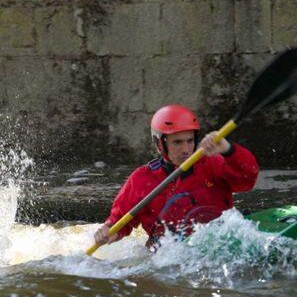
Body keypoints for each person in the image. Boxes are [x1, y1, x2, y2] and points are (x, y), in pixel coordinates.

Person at [94, 104, 259, 250]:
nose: (186, 149)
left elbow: (247, 179)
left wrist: (228, 150)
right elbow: (119, 220)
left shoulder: (212, 164)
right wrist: (109, 231)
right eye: (177, 142)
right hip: (169, 255)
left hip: (218, 242)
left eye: (189, 141)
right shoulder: (141, 179)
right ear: (160, 144)